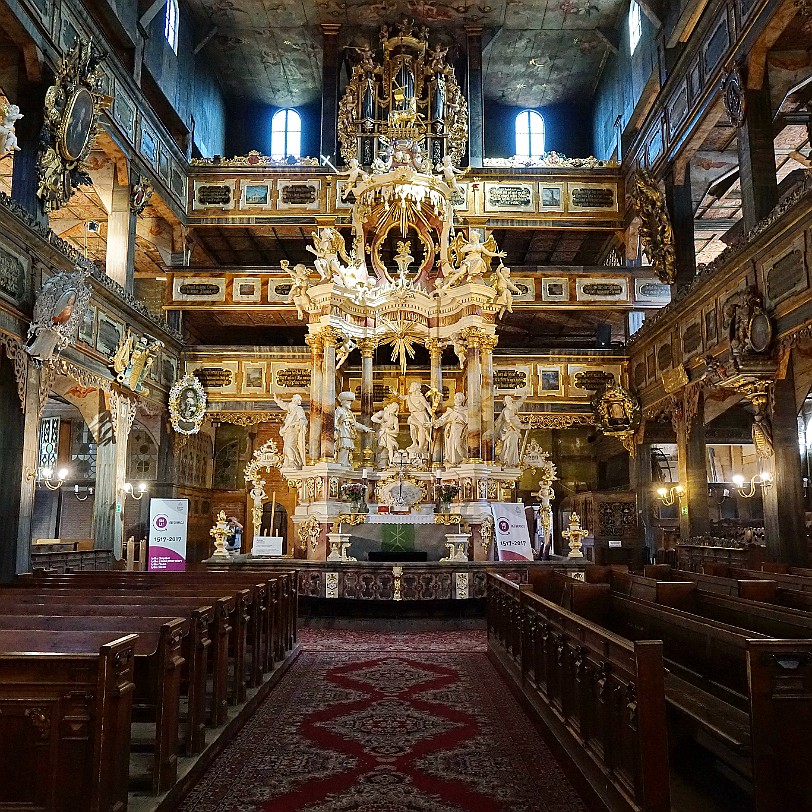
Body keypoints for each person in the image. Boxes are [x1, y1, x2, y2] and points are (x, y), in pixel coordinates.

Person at [334, 391, 372, 467]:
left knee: (348, 449)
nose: (350, 403)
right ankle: (342, 464)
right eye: (348, 401)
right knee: (344, 447)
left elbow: (355, 424)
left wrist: (364, 428)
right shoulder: (339, 410)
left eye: (351, 401)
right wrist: (336, 429)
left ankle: (346, 463)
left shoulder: (350, 413)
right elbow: (335, 420)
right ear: (343, 402)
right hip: (343, 433)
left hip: (349, 434)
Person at [398, 382, 433, 457]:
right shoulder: (409, 397)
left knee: (421, 429)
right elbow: (402, 397)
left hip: (421, 415)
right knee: (412, 429)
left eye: (411, 386)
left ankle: (420, 446)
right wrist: (395, 392)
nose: (410, 387)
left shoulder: (421, 397)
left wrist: (433, 416)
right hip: (413, 415)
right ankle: (414, 443)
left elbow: (428, 407)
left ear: (415, 388)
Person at [274, 394, 308, 469]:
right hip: (287, 430)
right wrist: (278, 401)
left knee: (289, 446)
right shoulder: (291, 408)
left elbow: (304, 420)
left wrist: (296, 423)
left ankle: (293, 462)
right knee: (287, 447)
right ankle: (295, 461)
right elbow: (285, 405)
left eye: (295, 399)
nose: (293, 400)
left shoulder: (299, 409)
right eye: (293, 398)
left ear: (297, 401)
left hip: (293, 430)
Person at [434, 391, 468, 466]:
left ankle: (464, 458)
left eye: (459, 398)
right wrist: (432, 423)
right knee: (450, 445)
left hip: (460, 428)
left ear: (462, 400)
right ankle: (452, 461)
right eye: (456, 398)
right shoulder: (450, 410)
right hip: (450, 429)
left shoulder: (466, 410)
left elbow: (468, 421)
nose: (457, 399)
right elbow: (442, 420)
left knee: (458, 444)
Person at [495, 394, 527, 467]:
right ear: (505, 402)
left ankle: (512, 461)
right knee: (508, 446)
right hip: (508, 431)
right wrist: (521, 427)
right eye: (508, 401)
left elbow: (519, 403)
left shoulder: (512, 407)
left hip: (513, 432)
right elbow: (508, 422)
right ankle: (506, 461)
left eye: (510, 400)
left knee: (513, 446)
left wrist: (523, 397)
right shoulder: (506, 411)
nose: (509, 402)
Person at [370, 401, 400, 467]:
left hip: (389, 434)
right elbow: (372, 418)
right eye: (394, 408)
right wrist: (380, 421)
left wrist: (389, 432)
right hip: (381, 433)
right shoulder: (382, 413)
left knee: (390, 448)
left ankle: (391, 462)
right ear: (390, 407)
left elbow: (397, 430)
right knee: (380, 447)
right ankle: (376, 461)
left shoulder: (395, 419)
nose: (394, 410)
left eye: (396, 409)